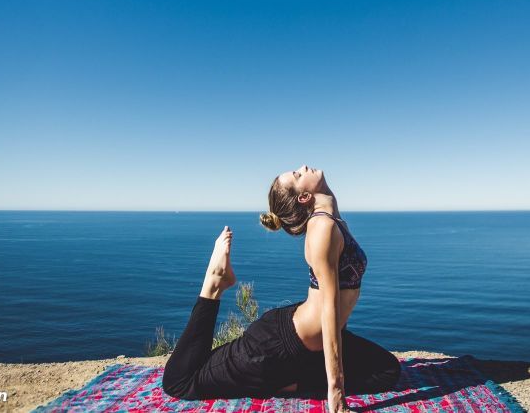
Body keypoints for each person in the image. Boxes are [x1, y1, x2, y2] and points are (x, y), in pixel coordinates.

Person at [161, 165, 401, 412]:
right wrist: (336, 394)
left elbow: (337, 309)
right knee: (181, 382)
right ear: (304, 197)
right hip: (276, 346)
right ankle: (213, 284)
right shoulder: (322, 229)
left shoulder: (332, 220)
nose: (303, 168)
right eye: (297, 175)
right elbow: (329, 311)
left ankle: (284, 380)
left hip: (309, 345)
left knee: (387, 371)